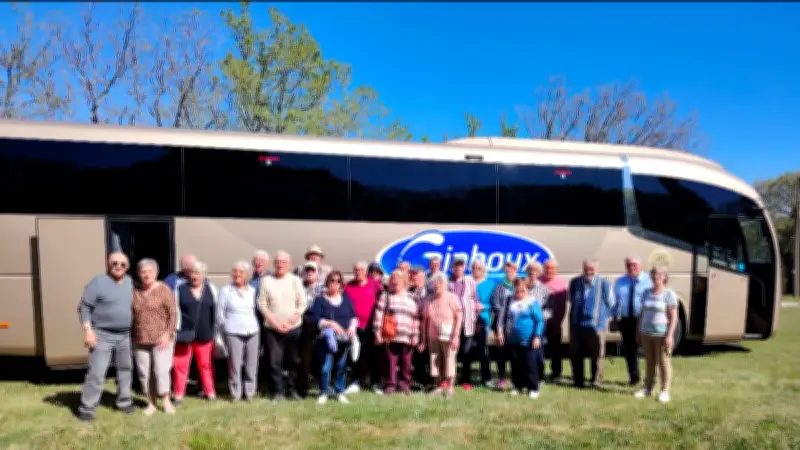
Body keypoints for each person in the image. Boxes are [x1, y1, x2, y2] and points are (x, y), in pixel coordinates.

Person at [76, 252, 136, 422]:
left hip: (125, 336)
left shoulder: (131, 282)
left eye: (122, 264)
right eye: (114, 263)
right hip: (102, 335)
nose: (118, 266)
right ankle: (87, 408)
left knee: (125, 370)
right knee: (97, 372)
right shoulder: (98, 282)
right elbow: (84, 307)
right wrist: (88, 330)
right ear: (108, 264)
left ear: (127, 266)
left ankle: (124, 402)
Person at [258, 250, 306, 401]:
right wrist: (275, 323)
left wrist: (291, 321)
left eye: (284, 262)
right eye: (278, 262)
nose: (280, 264)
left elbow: (302, 304)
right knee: (274, 362)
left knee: (293, 361)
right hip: (272, 329)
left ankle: (292, 390)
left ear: (289, 264)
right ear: (274, 264)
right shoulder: (266, 281)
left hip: (293, 328)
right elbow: (262, 304)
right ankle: (278, 392)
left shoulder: (295, 280)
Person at [131, 259, 177, 416]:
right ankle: (151, 403)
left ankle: (166, 401)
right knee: (144, 373)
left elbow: (173, 314)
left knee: (161, 371)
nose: (146, 274)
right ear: (138, 273)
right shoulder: (134, 291)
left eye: (149, 271)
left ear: (156, 273)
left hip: (161, 340)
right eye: (143, 271)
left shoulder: (164, 289)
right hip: (140, 339)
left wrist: (168, 333)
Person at [173, 261, 219, 403]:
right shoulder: (180, 289)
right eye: (192, 273)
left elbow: (216, 312)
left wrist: (216, 333)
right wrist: (175, 330)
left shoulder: (211, 289)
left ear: (203, 275)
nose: (194, 276)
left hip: (205, 334)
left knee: (205, 365)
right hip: (184, 335)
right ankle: (178, 395)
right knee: (180, 366)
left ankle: (210, 393)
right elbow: (175, 311)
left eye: (198, 273)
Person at [216, 260, 261, 402]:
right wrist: (226, 328)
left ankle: (249, 393)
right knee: (234, 364)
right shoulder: (225, 291)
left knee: (251, 364)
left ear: (247, 275)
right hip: (233, 331)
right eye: (235, 271)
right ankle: (235, 393)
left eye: (241, 272)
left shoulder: (253, 291)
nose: (237, 274)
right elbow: (219, 314)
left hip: (252, 331)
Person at [312, 271, 358, 404]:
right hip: (326, 340)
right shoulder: (320, 300)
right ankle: (324, 392)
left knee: (341, 366)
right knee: (325, 367)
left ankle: (339, 391)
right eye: (332, 280)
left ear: (341, 284)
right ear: (327, 282)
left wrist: (352, 327)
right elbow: (316, 319)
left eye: (338, 281)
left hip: (344, 339)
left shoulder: (346, 299)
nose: (335, 283)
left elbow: (353, 317)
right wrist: (331, 323)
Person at [568, 259, 615, 389]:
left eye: (592, 269)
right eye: (586, 268)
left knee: (597, 354)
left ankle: (596, 380)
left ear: (597, 270)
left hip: (597, 326)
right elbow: (571, 300)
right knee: (576, 353)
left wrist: (606, 321)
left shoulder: (604, 283)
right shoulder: (575, 282)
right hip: (577, 324)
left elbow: (611, 303)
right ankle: (578, 381)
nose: (589, 271)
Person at [634, 266, 678, 403]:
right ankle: (648, 388)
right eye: (653, 274)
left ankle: (665, 391)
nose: (655, 277)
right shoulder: (646, 292)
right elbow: (642, 314)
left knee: (663, 362)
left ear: (664, 277)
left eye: (659, 275)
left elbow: (673, 317)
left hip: (662, 334)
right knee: (649, 362)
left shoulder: (669, 294)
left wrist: (669, 335)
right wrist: (638, 331)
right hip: (647, 333)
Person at [373, 269, 420, 395]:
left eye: (398, 279)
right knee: (390, 362)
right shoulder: (386, 296)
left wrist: (415, 335)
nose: (395, 282)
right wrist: (377, 333)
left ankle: (404, 384)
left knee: (406, 363)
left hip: (407, 336)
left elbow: (415, 318)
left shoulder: (412, 298)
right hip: (390, 336)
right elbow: (379, 315)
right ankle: (390, 385)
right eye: (393, 280)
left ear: (404, 281)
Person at [496, 278, 544, 399]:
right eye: (517, 291)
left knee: (530, 365)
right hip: (512, 339)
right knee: (515, 364)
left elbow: (539, 321)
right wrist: (500, 332)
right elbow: (501, 318)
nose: (519, 294)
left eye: (522, 291)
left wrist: (537, 336)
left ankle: (533, 388)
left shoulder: (532, 302)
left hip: (529, 340)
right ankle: (517, 386)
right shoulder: (508, 301)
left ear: (527, 290)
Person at [420, 272, 462, 398]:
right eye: (434, 284)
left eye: (439, 284)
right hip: (432, 335)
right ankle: (438, 386)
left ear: (444, 284)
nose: (436, 286)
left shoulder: (452, 297)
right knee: (435, 359)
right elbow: (425, 320)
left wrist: (456, 335)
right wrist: (423, 339)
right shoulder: (429, 299)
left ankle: (450, 387)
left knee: (449, 359)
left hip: (449, 335)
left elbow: (459, 316)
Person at [344, 261, 383, 395]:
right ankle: (357, 381)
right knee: (357, 356)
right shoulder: (348, 286)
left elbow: (381, 301)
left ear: (366, 272)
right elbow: (345, 305)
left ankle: (375, 383)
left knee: (374, 355)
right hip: (355, 326)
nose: (358, 272)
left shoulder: (374, 284)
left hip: (372, 326)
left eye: (361, 270)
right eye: (356, 270)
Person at [612, 256, 652, 386]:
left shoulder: (649, 281)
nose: (631, 267)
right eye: (629, 265)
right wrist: (614, 318)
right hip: (626, 320)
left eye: (634, 265)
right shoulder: (620, 282)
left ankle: (650, 377)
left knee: (647, 349)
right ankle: (634, 377)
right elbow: (615, 302)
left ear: (640, 266)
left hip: (644, 319)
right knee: (629, 349)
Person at [448, 256, 478, 390]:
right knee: (450, 352)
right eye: (456, 265)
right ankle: (447, 379)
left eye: (461, 265)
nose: (459, 268)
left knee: (466, 353)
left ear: (464, 267)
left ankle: (465, 380)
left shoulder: (471, 282)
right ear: (452, 267)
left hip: (467, 323)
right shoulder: (447, 282)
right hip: (450, 323)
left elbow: (475, 301)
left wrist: (475, 320)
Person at [297, 261, 325, 398]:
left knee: (320, 358)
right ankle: (302, 389)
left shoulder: (323, 288)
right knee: (304, 358)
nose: (309, 273)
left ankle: (322, 387)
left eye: (312, 270)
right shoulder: (298, 287)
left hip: (319, 324)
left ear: (317, 273)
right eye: (307, 270)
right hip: (303, 324)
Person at [489, 261, 518, 390]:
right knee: (501, 352)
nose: (509, 272)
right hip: (500, 324)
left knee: (515, 353)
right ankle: (501, 378)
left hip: (516, 326)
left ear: (515, 271)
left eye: (511, 270)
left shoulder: (520, 285)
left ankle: (515, 377)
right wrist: (504, 312)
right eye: (507, 271)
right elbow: (494, 303)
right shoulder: (499, 287)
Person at [539, 259, 568, 383]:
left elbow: (564, 306)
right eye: (547, 268)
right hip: (539, 322)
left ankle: (556, 374)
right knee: (538, 348)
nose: (549, 270)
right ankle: (539, 373)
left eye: (552, 268)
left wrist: (559, 322)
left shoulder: (562, 284)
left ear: (556, 270)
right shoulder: (538, 281)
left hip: (555, 322)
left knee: (555, 349)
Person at [524, 262, 551, 381]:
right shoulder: (522, 287)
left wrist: (539, 317)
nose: (532, 273)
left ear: (539, 273)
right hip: (524, 325)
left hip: (538, 325)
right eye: (530, 271)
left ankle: (540, 376)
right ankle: (526, 375)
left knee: (538, 351)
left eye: (535, 271)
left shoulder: (544, 289)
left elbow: (549, 309)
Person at [471, 259, 495, 388]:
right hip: (468, 321)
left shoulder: (490, 284)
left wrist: (484, 306)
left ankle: (486, 378)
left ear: (484, 270)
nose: (476, 270)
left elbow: (494, 303)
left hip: (483, 320)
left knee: (482, 350)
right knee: (466, 350)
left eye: (479, 268)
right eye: (474, 267)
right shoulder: (467, 282)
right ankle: (466, 377)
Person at [408, 266, 431, 389]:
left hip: (427, 326)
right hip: (413, 326)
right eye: (412, 274)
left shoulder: (430, 289)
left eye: (416, 274)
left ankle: (429, 381)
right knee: (415, 354)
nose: (413, 276)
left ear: (423, 275)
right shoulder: (409, 290)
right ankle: (417, 380)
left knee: (427, 354)